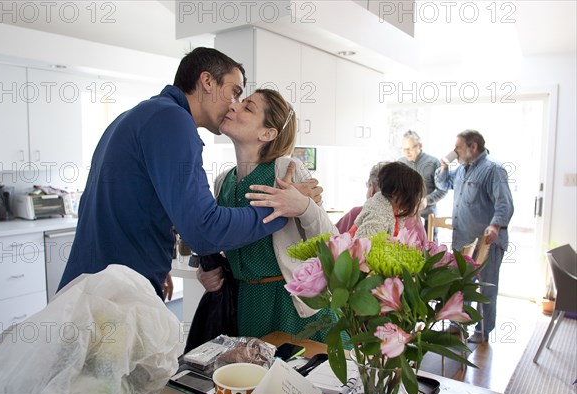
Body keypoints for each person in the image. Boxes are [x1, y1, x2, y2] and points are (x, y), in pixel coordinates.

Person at [58, 48, 320, 300]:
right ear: (207, 81)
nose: (234, 105)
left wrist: (158, 259)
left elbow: (142, 203)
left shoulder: (136, 116)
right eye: (234, 92)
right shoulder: (172, 121)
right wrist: (278, 211)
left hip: (94, 286)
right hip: (114, 294)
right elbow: (204, 229)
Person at [197, 89, 338, 341]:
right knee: (256, 378)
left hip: (292, 303)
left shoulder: (287, 169)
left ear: (268, 133)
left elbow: (331, 242)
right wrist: (206, 272)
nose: (233, 107)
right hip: (247, 303)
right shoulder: (223, 181)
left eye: (248, 107)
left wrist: (303, 207)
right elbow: (222, 242)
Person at [435, 129, 514, 343]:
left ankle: (483, 331)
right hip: (463, 240)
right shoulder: (462, 170)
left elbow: (504, 204)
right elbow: (443, 184)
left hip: (485, 242)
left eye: (459, 147)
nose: (455, 151)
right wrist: (443, 166)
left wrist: (495, 226)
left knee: (486, 287)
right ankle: (457, 325)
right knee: (461, 285)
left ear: (473, 147)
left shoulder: (493, 170)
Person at [352, 162, 425, 239]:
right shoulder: (379, 214)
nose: (414, 200)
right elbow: (363, 244)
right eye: (411, 195)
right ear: (395, 192)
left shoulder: (393, 210)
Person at [398, 130, 448, 240]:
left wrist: (427, 200)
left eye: (409, 149)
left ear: (420, 146)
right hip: (405, 218)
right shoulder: (400, 163)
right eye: (404, 149)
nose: (406, 152)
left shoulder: (434, 163)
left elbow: (443, 189)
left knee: (429, 252)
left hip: (427, 218)